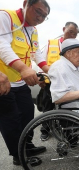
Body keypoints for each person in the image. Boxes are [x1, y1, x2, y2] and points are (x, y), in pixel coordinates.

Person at [0, 0, 51, 166]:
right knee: (11, 119)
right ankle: (18, 155)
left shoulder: (33, 31)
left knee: (28, 114)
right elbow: (2, 46)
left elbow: (36, 54)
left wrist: (50, 72)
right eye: (38, 12)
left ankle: (27, 146)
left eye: (44, 16)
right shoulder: (6, 17)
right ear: (26, 4)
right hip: (3, 81)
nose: (41, 18)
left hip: (20, 82)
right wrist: (23, 69)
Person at [39, 22, 79, 141]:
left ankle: (69, 136)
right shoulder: (52, 44)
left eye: (75, 34)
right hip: (51, 79)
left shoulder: (74, 45)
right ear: (63, 29)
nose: (72, 35)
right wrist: (50, 73)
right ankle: (45, 131)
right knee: (48, 108)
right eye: (70, 32)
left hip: (63, 76)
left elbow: (75, 65)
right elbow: (40, 60)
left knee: (64, 108)